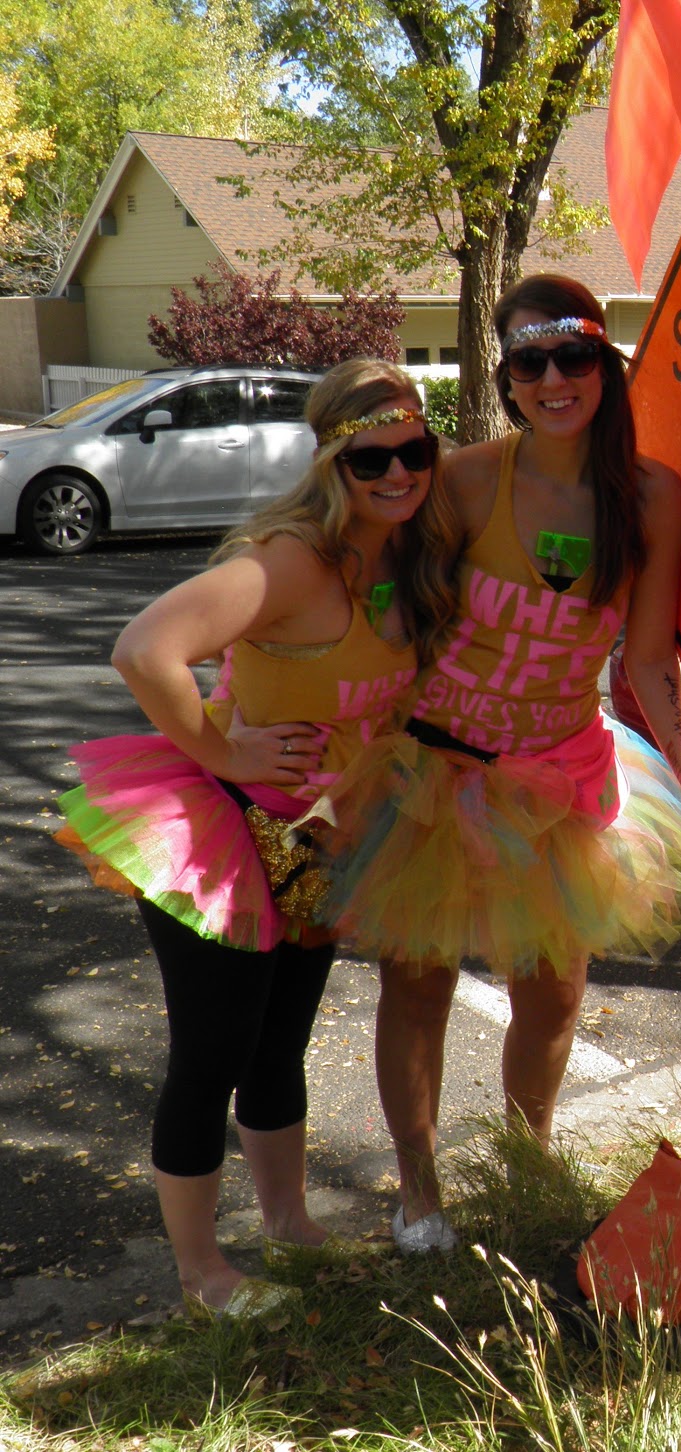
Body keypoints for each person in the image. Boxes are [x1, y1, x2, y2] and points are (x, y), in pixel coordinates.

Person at [313, 274, 681, 1254]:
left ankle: (525, 1158)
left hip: (562, 776)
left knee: (554, 991)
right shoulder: (462, 480)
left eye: (574, 356)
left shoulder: (651, 496)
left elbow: (648, 656)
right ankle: (418, 1192)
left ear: (604, 365)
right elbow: (376, 614)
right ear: (507, 378)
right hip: (432, 777)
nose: (555, 379)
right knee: (415, 985)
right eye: (530, 362)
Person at [55, 359, 456, 1318]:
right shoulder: (288, 559)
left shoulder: (404, 552)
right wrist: (223, 753)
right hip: (223, 837)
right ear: (331, 461)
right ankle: (203, 1277)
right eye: (373, 460)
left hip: (319, 843)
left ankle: (288, 1224)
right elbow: (143, 650)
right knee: (213, 1056)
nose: (399, 474)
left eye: (415, 452)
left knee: (281, 1045)